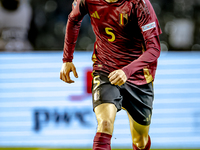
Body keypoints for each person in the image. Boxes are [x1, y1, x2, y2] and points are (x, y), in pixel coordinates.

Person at [60, 0, 162, 149]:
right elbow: (73, 19)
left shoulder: (139, 3)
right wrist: (67, 59)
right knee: (105, 124)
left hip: (138, 76)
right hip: (105, 69)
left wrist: (126, 71)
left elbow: (154, 49)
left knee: (141, 140)